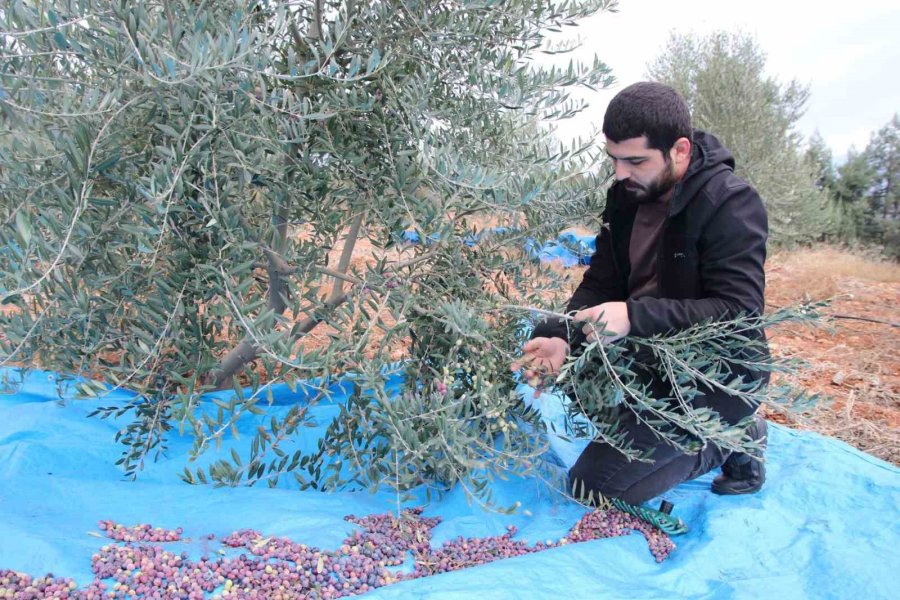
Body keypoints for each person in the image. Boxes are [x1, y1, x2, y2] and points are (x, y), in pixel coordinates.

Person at [514, 81, 769, 504]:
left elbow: (738, 312)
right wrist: (560, 335)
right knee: (577, 377)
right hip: (650, 362)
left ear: (680, 150)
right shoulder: (625, 196)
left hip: (717, 379)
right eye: (613, 160)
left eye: (635, 161)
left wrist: (634, 315)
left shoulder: (731, 204)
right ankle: (657, 429)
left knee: (595, 487)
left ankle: (733, 435)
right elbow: (600, 284)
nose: (620, 174)